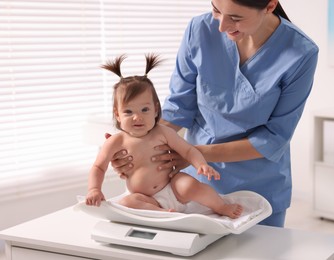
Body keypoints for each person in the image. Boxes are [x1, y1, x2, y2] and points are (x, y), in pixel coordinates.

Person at [109, 0, 319, 227]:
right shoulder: (199, 29)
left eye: (236, 18)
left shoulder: (300, 53)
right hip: (193, 188)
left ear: (269, 6)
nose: (221, 26)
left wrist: (193, 153)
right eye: (216, 10)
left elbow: (274, 138)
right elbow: (179, 107)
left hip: (259, 186)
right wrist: (137, 145)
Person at [86, 53, 243, 219]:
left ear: (155, 109)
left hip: (172, 188)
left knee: (190, 185)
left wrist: (201, 164)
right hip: (145, 198)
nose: (137, 117)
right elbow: (98, 167)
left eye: (144, 110)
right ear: (117, 115)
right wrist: (94, 189)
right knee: (127, 203)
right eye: (128, 112)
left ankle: (221, 206)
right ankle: (163, 213)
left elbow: (188, 151)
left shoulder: (162, 132)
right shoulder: (116, 141)